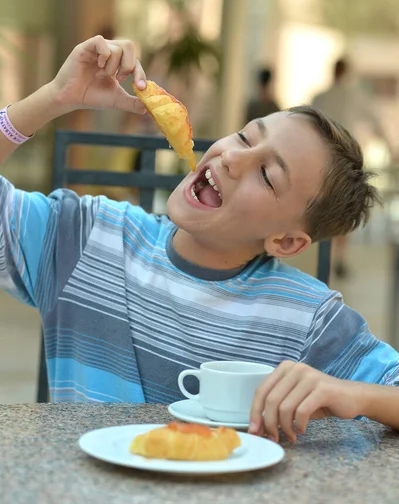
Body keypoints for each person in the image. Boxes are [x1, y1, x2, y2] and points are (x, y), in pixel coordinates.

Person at [1, 36, 399, 446]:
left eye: (267, 175)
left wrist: (354, 394)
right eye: (245, 137)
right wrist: (53, 98)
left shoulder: (306, 320)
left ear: (285, 242)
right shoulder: (86, 236)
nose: (231, 156)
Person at [311, 58, 386, 280]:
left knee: (323, 207)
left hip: (321, 161)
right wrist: (391, 146)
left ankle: (325, 259)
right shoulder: (355, 95)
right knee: (344, 209)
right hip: (346, 160)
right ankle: (339, 259)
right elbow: (376, 121)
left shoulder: (321, 96)